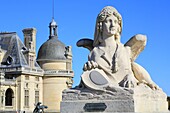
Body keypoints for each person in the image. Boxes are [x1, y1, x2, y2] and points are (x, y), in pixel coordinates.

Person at [77, 6, 159, 90]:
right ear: (100, 25)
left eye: (116, 22)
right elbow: (97, 76)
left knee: (133, 65)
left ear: (119, 26)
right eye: (109, 21)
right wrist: (90, 68)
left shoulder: (125, 50)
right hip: (108, 86)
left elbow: (141, 38)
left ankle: (150, 82)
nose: (113, 25)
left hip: (127, 83)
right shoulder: (94, 52)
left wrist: (130, 76)